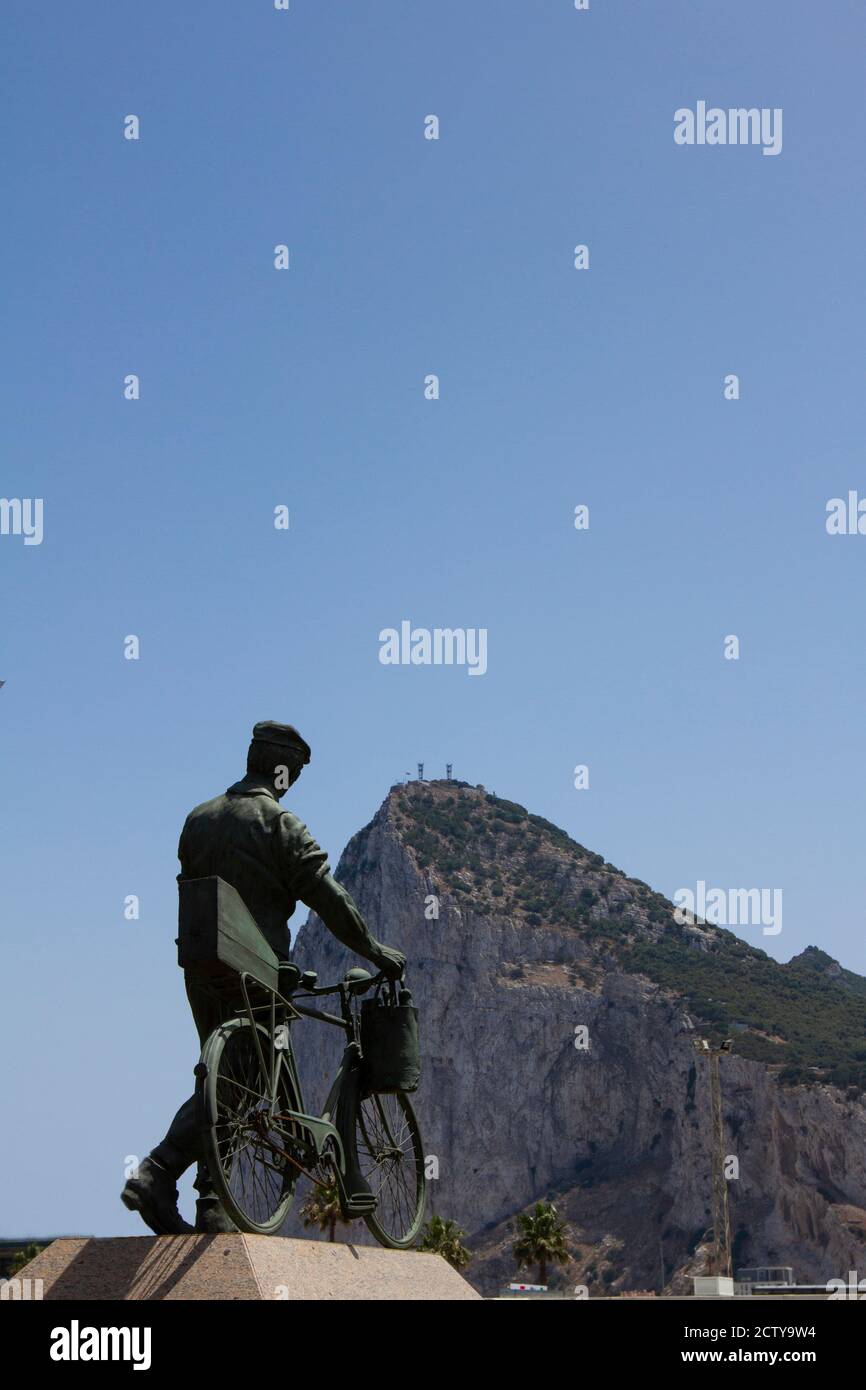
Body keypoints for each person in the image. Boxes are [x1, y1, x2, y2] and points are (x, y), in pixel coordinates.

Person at [121, 721, 406, 1234]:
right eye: (292, 773)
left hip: (203, 962)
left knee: (222, 1078)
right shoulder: (281, 825)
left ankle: (212, 1200)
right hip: (257, 969)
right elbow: (330, 898)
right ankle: (157, 1171)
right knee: (241, 1079)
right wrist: (373, 949)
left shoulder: (198, 818)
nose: (291, 782)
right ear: (282, 770)